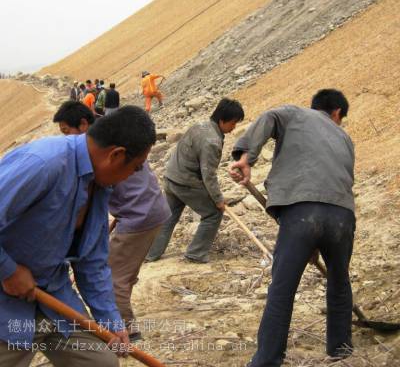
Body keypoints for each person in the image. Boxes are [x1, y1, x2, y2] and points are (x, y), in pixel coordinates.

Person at [0, 106, 156, 366]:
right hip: (6, 304)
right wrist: (8, 271)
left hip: (52, 298)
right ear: (116, 155)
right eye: (137, 167)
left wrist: (111, 322)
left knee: (101, 362)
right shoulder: (43, 164)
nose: (134, 175)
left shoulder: (99, 183)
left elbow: (92, 261)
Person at [229, 89, 356, 366]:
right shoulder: (344, 137)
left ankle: (267, 360)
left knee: (282, 288)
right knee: (339, 281)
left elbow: (269, 117)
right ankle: (341, 348)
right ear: (337, 113)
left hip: (300, 213)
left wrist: (245, 158)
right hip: (343, 215)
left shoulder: (294, 113)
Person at [52, 101, 171, 342]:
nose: (66, 138)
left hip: (140, 214)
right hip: (146, 209)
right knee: (121, 272)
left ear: (84, 124)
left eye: (67, 131)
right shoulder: (117, 139)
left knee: (114, 278)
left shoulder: (107, 152)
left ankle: (127, 331)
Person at [146, 98, 244, 263]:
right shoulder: (212, 141)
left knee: (168, 217)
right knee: (213, 213)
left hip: (172, 177)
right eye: (233, 123)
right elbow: (209, 175)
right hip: (186, 183)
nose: (234, 128)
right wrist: (218, 200)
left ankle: (150, 253)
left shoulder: (198, 126)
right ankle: (196, 253)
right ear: (222, 120)